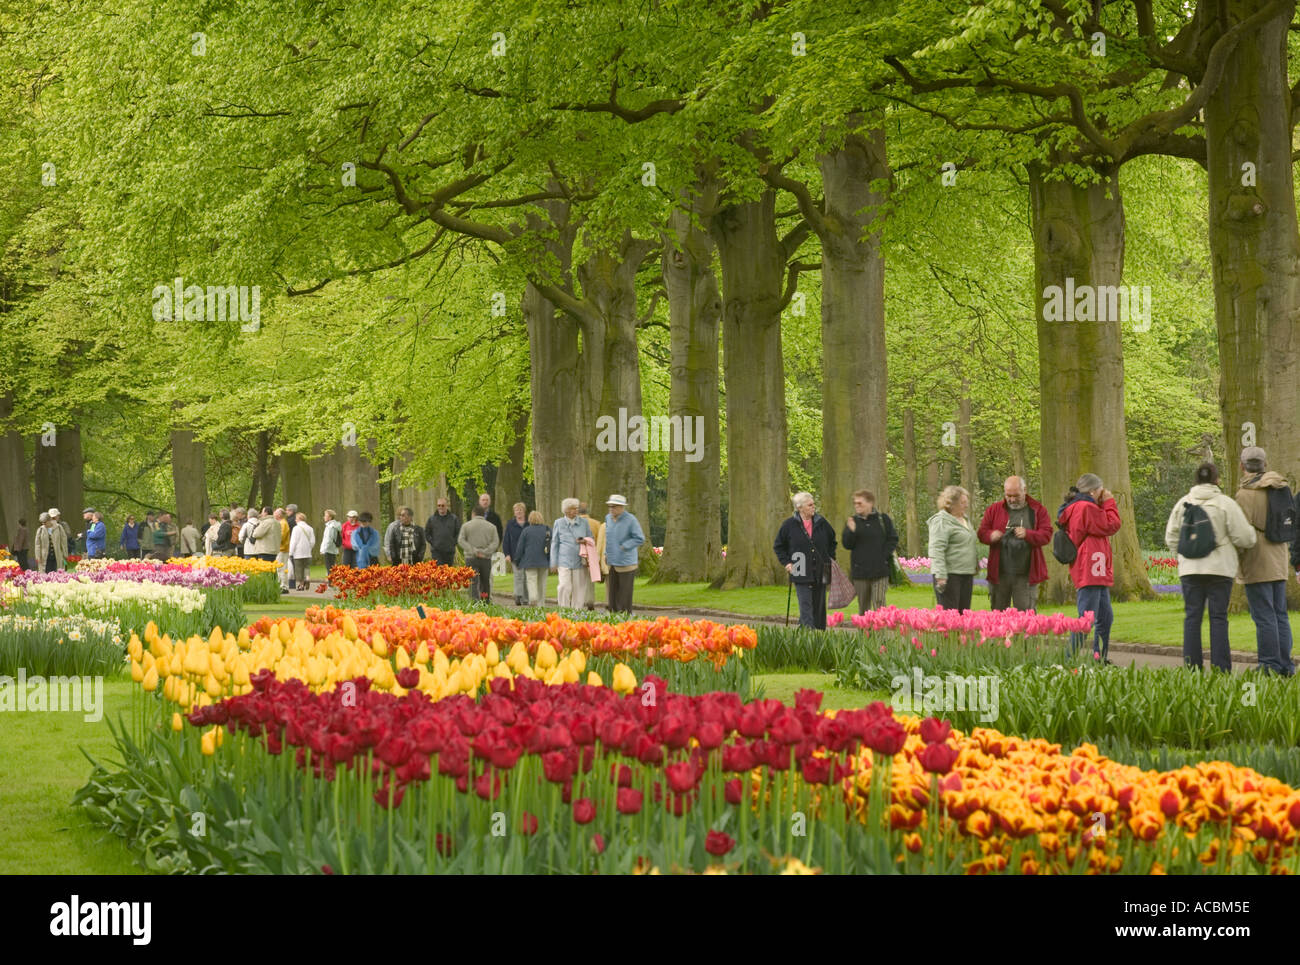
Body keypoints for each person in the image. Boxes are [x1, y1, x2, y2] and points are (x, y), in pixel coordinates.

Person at [1165, 462, 1256, 672]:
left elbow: (1171, 536)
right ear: (1217, 480)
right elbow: (1244, 537)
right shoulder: (1225, 503)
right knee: (1218, 618)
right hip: (1219, 569)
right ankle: (1221, 668)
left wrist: (1183, 557)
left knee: (1192, 618)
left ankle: (1192, 668)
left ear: (1195, 480)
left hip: (1190, 571)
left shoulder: (1183, 503)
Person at [1234, 446, 1297, 676]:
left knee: (1263, 615)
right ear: (1265, 464)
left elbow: (1241, 533)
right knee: (1280, 614)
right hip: (1279, 556)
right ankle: (1286, 665)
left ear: (1242, 466)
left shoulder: (1245, 494)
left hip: (1257, 559)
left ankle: (1269, 665)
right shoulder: (1280, 487)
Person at [1057, 473, 1122, 663]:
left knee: (1105, 617)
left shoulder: (1084, 506)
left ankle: (1099, 657)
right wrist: (1109, 503)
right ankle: (1068, 659)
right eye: (1101, 490)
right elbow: (1112, 524)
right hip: (1090, 569)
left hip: (1095, 571)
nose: (1105, 493)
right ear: (1093, 491)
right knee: (1087, 618)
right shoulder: (1085, 507)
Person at [978, 476, 1052, 611]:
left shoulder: (1037, 510)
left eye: (1016, 496)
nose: (1012, 499)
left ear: (1025, 490)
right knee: (998, 616)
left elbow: (1046, 535)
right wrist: (991, 535)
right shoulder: (994, 510)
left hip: (1025, 575)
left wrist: (1028, 534)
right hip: (999, 574)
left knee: (1025, 616)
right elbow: (982, 533)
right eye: (1008, 495)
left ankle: (1025, 633)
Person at [774, 492, 837, 629]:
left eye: (813, 504)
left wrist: (830, 559)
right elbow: (778, 546)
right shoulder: (789, 525)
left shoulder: (822, 522)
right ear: (799, 507)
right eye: (810, 505)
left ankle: (817, 635)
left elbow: (833, 541)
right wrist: (787, 563)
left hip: (822, 569)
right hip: (800, 567)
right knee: (805, 605)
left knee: (819, 606)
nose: (813, 507)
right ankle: (808, 635)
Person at [842, 489, 899, 614]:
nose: (856, 506)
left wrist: (883, 556)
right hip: (860, 572)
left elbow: (893, 539)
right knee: (863, 607)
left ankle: (880, 633)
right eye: (855, 503)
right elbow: (847, 544)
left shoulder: (883, 520)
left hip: (880, 571)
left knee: (879, 603)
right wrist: (852, 531)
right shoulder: (853, 521)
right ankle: (864, 633)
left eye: (860, 503)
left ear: (870, 503)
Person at [928, 486, 979, 613]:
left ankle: (961, 634)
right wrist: (940, 575)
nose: (966, 505)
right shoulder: (941, 521)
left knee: (964, 614)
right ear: (951, 503)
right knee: (950, 616)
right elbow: (936, 549)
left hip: (966, 573)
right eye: (963, 502)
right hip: (949, 575)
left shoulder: (965, 520)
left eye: (967, 502)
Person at [602, 494, 645, 614]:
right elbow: (609, 537)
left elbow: (640, 538)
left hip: (626, 562)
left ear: (622, 507)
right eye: (609, 506)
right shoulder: (608, 518)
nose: (611, 509)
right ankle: (613, 616)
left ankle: (625, 617)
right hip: (612, 561)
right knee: (612, 593)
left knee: (624, 594)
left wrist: (625, 546)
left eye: (614, 506)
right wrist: (606, 553)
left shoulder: (631, 520)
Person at [551, 498, 594, 609]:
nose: (575, 510)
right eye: (572, 508)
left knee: (579, 589)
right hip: (563, 561)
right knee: (564, 586)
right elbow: (554, 543)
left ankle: (577, 612)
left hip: (580, 560)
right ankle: (564, 610)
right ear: (566, 510)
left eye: (576, 508)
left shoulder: (584, 523)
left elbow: (591, 538)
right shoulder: (559, 523)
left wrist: (585, 540)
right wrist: (553, 562)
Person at [458, 505, 500, 602]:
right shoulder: (491, 527)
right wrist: (485, 552)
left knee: (472, 581)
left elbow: (461, 540)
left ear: (473, 514)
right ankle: (485, 601)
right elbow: (495, 542)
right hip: (485, 558)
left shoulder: (466, 526)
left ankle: (474, 601)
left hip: (471, 558)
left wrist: (473, 550)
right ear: (483, 514)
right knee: (485, 582)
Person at [516, 511, 551, 606]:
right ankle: (541, 603)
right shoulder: (547, 530)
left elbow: (520, 547)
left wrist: (517, 561)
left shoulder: (526, 531)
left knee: (531, 580)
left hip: (529, 561)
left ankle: (533, 598)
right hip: (544, 560)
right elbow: (551, 546)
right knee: (542, 583)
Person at [502, 502, 529, 605]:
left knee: (526, 577)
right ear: (514, 512)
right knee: (518, 576)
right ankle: (518, 596)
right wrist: (507, 554)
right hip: (514, 554)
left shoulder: (529, 523)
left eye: (520, 510)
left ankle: (525, 599)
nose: (519, 512)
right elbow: (506, 540)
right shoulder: (510, 524)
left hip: (527, 555)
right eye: (517, 510)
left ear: (524, 511)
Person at [424, 499, 460, 566]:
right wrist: (433, 543)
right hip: (436, 551)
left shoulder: (454, 518)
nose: (441, 507)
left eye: (443, 505)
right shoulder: (432, 519)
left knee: (448, 573)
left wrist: (453, 543)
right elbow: (426, 533)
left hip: (449, 551)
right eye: (439, 505)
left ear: (447, 506)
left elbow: (458, 533)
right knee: (439, 572)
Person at [289, 512, 316, 591]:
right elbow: (312, 541)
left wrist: (291, 552)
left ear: (299, 519)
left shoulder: (296, 528)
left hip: (298, 553)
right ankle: (307, 578)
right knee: (306, 567)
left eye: (296, 519)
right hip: (307, 552)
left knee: (299, 569)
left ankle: (301, 585)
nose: (295, 520)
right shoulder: (310, 528)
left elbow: (293, 541)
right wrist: (309, 548)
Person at [275, 508, 292, 593]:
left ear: (279, 515)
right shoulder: (282, 523)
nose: (274, 514)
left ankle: (283, 586)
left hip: (282, 549)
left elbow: (281, 536)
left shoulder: (283, 523)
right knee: (281, 568)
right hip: (281, 548)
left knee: (281, 568)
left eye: (276, 513)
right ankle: (282, 585)